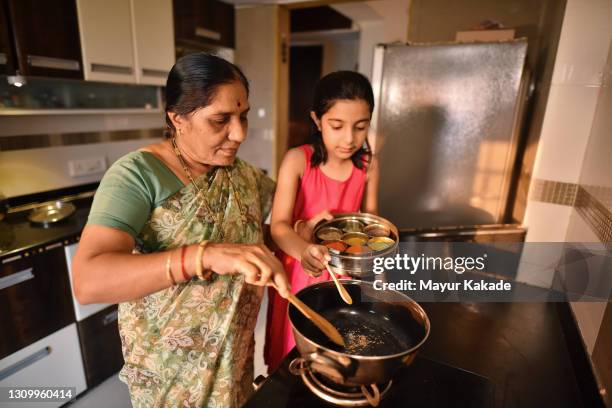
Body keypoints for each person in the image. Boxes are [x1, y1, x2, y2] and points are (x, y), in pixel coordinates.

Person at [72, 52, 290, 408]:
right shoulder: (136, 175)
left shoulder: (241, 173)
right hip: (170, 373)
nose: (239, 133)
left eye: (243, 116)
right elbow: (88, 280)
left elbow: (254, 229)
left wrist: (299, 229)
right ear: (178, 119)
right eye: (221, 120)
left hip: (234, 356)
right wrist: (205, 255)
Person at [264, 71, 379, 372]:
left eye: (361, 127)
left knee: (336, 352)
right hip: (301, 271)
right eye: (337, 126)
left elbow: (371, 225)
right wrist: (304, 250)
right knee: (294, 355)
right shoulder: (297, 160)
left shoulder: (367, 165)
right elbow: (279, 227)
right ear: (317, 120)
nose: (349, 139)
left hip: (343, 273)